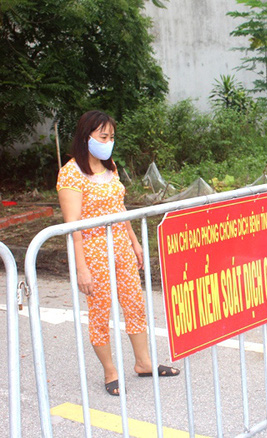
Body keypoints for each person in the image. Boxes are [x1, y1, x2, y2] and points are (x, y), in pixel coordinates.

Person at [57, 110, 179, 396]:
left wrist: (134, 242)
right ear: (85, 137)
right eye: (103, 136)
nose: (108, 142)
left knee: (134, 303)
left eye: (111, 137)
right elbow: (73, 227)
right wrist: (82, 268)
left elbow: (119, 208)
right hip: (93, 249)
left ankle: (144, 363)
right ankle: (110, 371)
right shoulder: (71, 173)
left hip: (121, 246)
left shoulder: (109, 166)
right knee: (100, 311)